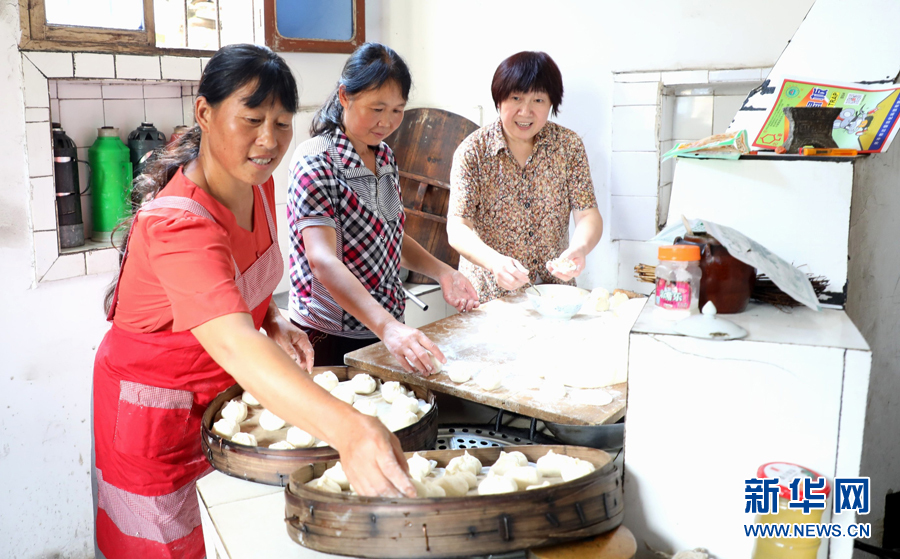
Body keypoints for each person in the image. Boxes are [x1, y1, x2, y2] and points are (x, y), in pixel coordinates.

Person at [92, 44, 415, 559]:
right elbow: (234, 340)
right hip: (155, 420)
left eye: (283, 123)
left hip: (219, 406)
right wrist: (351, 431)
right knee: (168, 546)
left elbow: (239, 286)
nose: (269, 141)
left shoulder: (254, 185)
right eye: (252, 119)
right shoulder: (177, 224)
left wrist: (273, 315)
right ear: (205, 112)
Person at [287, 43, 479, 374]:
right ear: (345, 96)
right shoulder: (316, 160)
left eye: (396, 110)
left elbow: (389, 235)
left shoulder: (383, 156)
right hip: (329, 334)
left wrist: (443, 272)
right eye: (376, 108)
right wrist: (388, 328)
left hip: (383, 325)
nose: (386, 122)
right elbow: (322, 261)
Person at [447, 51, 604, 303]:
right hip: (489, 297)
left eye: (538, 100)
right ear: (499, 100)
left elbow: (587, 214)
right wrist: (494, 262)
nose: (525, 111)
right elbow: (457, 228)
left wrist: (580, 248)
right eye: (516, 98)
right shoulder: (473, 151)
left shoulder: (568, 146)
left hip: (554, 295)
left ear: (551, 103)